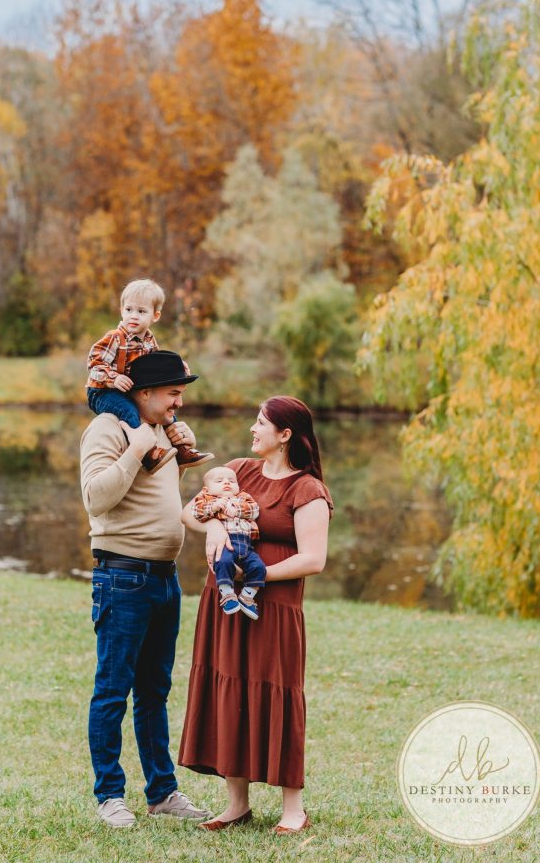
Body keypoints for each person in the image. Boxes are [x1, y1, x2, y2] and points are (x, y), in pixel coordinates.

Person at [178, 396, 333, 834]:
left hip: (275, 608)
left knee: (277, 693)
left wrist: (258, 577)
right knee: (229, 689)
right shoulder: (239, 470)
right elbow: (189, 509)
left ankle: (292, 809)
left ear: (285, 435)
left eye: (261, 423)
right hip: (224, 603)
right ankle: (236, 805)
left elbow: (314, 559)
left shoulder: (307, 489)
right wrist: (211, 525)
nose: (253, 429)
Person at [80, 350, 211, 829]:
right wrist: (136, 448)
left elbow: (152, 494)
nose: (179, 402)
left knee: (154, 691)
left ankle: (162, 792)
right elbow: (96, 497)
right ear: (145, 393)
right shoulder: (109, 430)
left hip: (164, 577)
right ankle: (110, 795)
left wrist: (183, 458)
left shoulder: (161, 431)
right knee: (113, 689)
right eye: (173, 393)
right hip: (123, 577)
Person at [86, 278, 213, 473]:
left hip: (128, 389)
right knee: (129, 411)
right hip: (103, 391)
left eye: (141, 311)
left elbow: (157, 362)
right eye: (128, 310)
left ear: (155, 315)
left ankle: (182, 451)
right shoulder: (114, 337)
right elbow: (93, 363)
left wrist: (180, 368)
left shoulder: (148, 340)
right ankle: (148, 454)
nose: (133, 316)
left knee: (170, 416)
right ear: (121, 310)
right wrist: (113, 378)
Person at [192, 466, 265, 620]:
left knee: (258, 567)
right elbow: (196, 512)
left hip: (246, 545)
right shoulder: (207, 499)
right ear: (207, 488)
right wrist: (213, 507)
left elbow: (255, 510)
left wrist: (238, 510)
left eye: (231, 481)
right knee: (222, 562)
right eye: (219, 481)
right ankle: (227, 595)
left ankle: (247, 597)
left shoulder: (243, 497)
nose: (226, 483)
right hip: (226, 544)